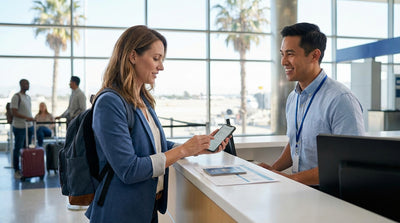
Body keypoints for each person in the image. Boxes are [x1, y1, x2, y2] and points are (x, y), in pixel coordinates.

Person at [85, 25, 230, 223]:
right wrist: (182, 151)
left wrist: (196, 147)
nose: (161, 67)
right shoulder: (110, 102)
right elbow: (129, 169)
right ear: (133, 56)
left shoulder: (142, 99)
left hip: (145, 209)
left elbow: (154, 147)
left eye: (161, 59)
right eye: (156, 58)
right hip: (119, 212)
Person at [258, 23, 365, 185]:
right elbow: (296, 143)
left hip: (331, 195)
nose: (283, 62)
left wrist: (291, 179)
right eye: (282, 54)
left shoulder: (341, 99)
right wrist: (273, 170)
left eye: (290, 54)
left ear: (314, 55)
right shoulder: (293, 98)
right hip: (301, 190)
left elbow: (350, 160)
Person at [11, 79, 35, 179]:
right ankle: (16, 170)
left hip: (29, 127)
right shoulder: (16, 97)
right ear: (21, 85)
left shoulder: (28, 97)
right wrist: (27, 118)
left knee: (27, 149)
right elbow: (14, 112)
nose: (28, 85)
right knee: (18, 149)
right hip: (19, 127)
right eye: (26, 84)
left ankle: (26, 168)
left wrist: (30, 120)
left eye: (28, 83)